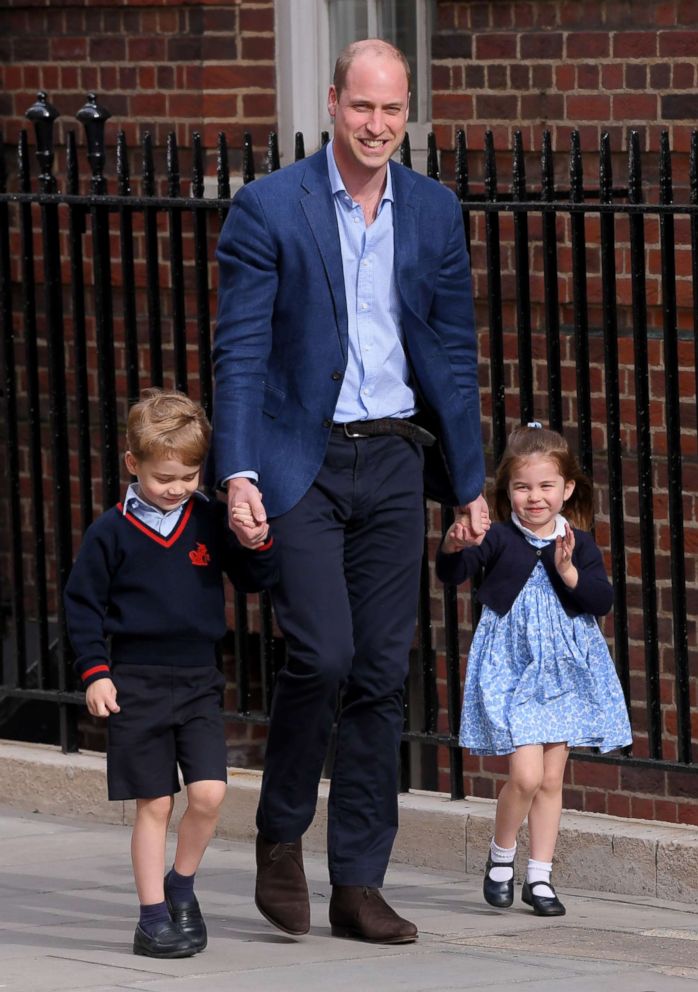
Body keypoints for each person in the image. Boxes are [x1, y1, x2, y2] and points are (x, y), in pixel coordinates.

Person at [212, 38, 487, 944]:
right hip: (305, 462)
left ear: (411, 112)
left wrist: (472, 485)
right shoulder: (268, 209)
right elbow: (241, 353)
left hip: (397, 459)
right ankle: (282, 835)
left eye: (393, 111)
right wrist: (239, 470)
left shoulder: (436, 212)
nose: (378, 127)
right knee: (322, 654)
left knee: (379, 673)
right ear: (333, 103)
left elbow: (451, 354)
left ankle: (359, 883)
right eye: (362, 108)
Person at [63, 389, 277, 958]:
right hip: (135, 681)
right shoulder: (110, 532)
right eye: (164, 477)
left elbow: (256, 578)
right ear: (133, 465)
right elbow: (81, 606)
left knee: (209, 794)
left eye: (189, 474)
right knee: (154, 803)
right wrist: (96, 672)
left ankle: (181, 886)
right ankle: (152, 917)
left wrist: (256, 541)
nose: (178, 486)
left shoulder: (209, 517)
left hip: (199, 681)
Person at [436, 423, 632, 917]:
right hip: (513, 667)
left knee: (550, 779)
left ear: (567, 489)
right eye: (523, 487)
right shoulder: (500, 537)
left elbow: (601, 600)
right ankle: (502, 857)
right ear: (507, 491)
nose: (535, 497)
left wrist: (568, 571)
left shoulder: (578, 542)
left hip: (564, 671)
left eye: (546, 486)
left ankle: (539, 877)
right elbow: (453, 573)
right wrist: (454, 546)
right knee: (524, 775)